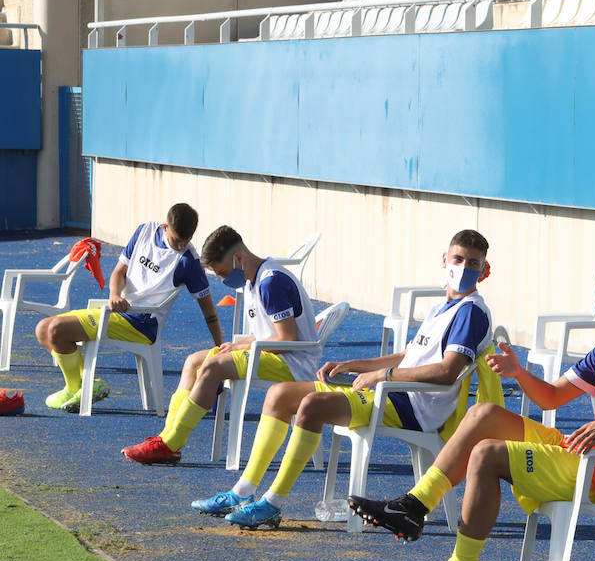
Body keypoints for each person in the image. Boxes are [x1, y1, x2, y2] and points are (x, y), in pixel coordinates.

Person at [349, 259, 595, 561]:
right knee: (483, 414)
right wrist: (519, 373)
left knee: (487, 454)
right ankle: (414, 506)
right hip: (586, 454)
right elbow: (552, 395)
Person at [191, 229, 496, 530]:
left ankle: (272, 504)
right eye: (459, 259)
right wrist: (353, 365)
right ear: (445, 260)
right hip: (394, 391)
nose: (464, 268)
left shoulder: (471, 312)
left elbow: (447, 373)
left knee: (312, 405)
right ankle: (241, 492)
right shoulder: (441, 306)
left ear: (484, 271)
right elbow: (408, 356)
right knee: (280, 394)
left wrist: (382, 375)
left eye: (473, 263)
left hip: (413, 406)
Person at [120, 225, 322, 465]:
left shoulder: (270, 283)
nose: (224, 279)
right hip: (273, 355)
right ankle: (167, 439)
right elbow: (265, 335)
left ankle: (171, 443)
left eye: (224, 273)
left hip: (293, 363)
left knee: (212, 367)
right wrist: (237, 345)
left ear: (238, 258)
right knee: (194, 361)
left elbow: (288, 340)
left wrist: (240, 348)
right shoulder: (251, 280)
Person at [35, 204, 220, 412]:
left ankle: (80, 387)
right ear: (165, 226)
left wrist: (220, 349)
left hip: (142, 324)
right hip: (118, 314)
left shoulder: (189, 261)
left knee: (55, 329)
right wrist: (114, 295)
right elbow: (118, 273)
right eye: (177, 239)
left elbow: (210, 311)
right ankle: (79, 386)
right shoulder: (144, 231)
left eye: (186, 240)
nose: (181, 245)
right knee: (43, 329)